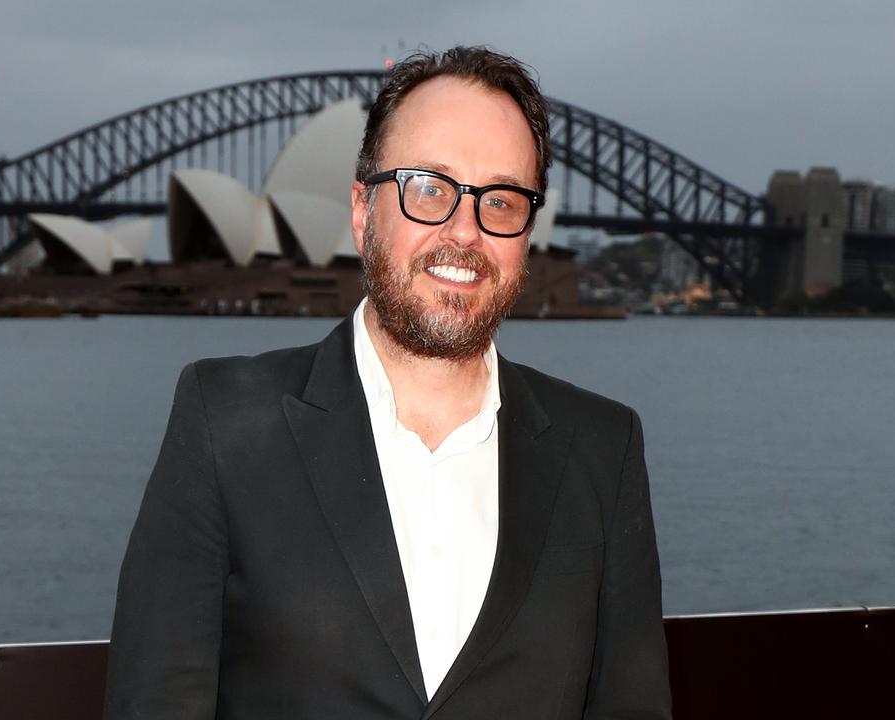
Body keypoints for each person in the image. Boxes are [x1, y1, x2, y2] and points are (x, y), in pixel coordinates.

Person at [106, 46, 671, 720]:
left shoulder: (603, 450)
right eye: (428, 187)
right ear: (360, 209)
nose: (465, 231)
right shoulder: (224, 422)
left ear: (528, 229)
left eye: (501, 198)